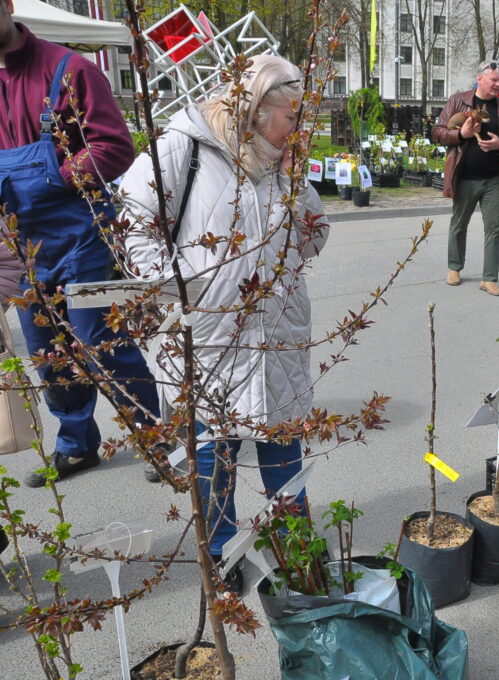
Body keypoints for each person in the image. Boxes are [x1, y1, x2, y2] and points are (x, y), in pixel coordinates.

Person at [120, 54, 329, 592]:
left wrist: (296, 184)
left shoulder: (283, 163)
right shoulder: (184, 146)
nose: (299, 129)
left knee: (283, 446)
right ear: (257, 109)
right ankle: (221, 554)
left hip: (277, 332)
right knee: (215, 454)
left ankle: (296, 545)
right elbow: (133, 224)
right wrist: (183, 288)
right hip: (209, 334)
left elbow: (314, 238)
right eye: (292, 116)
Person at [0, 0, 162, 487]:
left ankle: (156, 436)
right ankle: (76, 445)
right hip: (19, 244)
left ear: (7, 6)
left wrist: (54, 177)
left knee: (101, 341)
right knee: (47, 351)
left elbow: (115, 147)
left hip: (81, 234)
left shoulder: (69, 70)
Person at [433, 61, 499, 297]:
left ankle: (489, 279)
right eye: (493, 80)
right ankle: (454, 267)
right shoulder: (458, 101)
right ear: (480, 78)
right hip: (465, 177)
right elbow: (438, 132)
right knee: (458, 224)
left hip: (493, 179)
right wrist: (460, 134)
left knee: (494, 229)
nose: (498, 84)